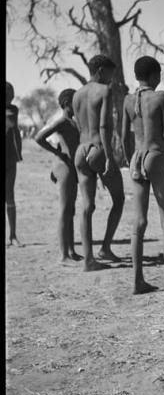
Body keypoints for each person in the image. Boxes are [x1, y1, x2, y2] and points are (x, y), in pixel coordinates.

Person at [122, 56, 164, 296]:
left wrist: (132, 159)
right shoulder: (161, 97)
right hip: (156, 156)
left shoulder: (128, 100)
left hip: (137, 159)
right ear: (154, 76)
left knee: (138, 223)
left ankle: (137, 280)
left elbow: (123, 136)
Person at [72, 55, 125, 271]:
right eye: (111, 73)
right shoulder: (104, 90)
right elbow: (104, 126)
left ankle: (88, 260)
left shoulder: (77, 94)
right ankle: (105, 247)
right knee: (119, 199)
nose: (112, 78)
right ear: (101, 70)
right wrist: (110, 157)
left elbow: (79, 125)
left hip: (80, 150)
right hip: (97, 149)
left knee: (87, 206)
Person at [35, 89, 82, 265]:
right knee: (64, 210)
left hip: (71, 168)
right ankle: (63, 255)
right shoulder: (61, 121)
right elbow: (39, 137)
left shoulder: (73, 122)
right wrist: (58, 154)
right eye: (76, 101)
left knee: (70, 210)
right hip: (64, 168)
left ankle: (71, 251)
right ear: (68, 103)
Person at [5, 82, 24, 247]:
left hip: (10, 158)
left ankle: (12, 235)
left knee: (9, 195)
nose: (10, 96)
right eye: (8, 93)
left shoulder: (14, 109)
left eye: (11, 93)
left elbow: (14, 129)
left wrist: (19, 154)